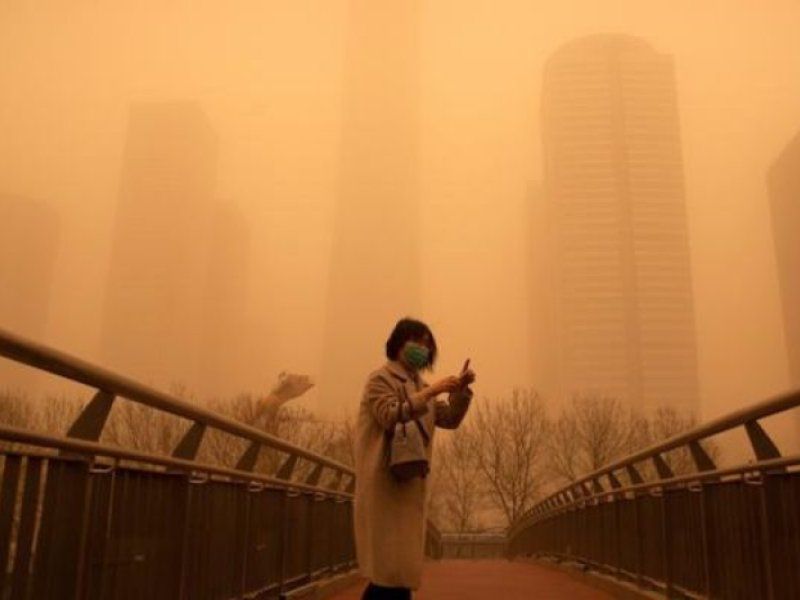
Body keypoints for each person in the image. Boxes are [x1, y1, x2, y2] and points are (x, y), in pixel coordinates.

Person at [354, 318, 476, 599]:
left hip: (410, 484)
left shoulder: (420, 384)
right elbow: (389, 414)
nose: (422, 348)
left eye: (426, 344)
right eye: (416, 342)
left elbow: (449, 419)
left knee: (399, 574)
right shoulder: (380, 379)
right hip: (384, 486)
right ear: (398, 344)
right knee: (388, 574)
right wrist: (433, 390)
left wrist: (459, 391)